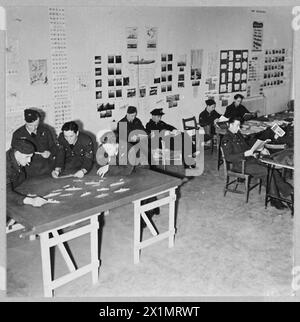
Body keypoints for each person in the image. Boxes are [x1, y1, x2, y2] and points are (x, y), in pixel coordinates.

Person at [221, 117, 293, 210]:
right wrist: (244, 154)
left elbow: (246, 146)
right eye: (237, 125)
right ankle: (274, 200)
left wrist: (259, 148)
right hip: (240, 165)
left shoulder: (237, 134)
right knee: (267, 172)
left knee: (272, 170)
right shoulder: (226, 139)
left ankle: (289, 191)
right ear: (230, 125)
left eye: (239, 125)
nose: (239, 128)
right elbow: (229, 157)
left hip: (249, 160)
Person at [11, 108, 57, 177]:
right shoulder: (18, 134)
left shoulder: (45, 131)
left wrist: (50, 152)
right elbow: (15, 154)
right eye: (30, 125)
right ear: (25, 121)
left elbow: (54, 147)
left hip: (47, 169)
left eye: (36, 125)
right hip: (28, 172)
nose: (33, 128)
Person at [7, 138, 48, 208]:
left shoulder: (16, 157)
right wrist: (31, 201)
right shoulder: (4, 165)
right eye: (27, 157)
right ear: (17, 153)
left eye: (30, 157)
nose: (29, 160)